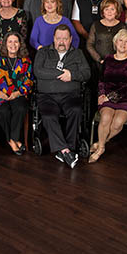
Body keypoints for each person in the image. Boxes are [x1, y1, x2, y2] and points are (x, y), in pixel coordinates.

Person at [34, 24, 91, 169]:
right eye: (58, 38)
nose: (61, 42)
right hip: (47, 96)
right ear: (53, 38)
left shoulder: (78, 53)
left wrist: (72, 75)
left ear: (71, 39)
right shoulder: (43, 52)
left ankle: (67, 149)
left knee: (76, 111)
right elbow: (38, 71)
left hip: (70, 95)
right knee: (48, 116)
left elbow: (86, 74)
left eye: (65, 39)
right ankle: (66, 151)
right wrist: (60, 74)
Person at [90, 29, 127, 163]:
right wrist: (102, 95)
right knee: (106, 117)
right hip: (106, 97)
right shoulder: (107, 59)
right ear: (115, 42)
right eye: (120, 40)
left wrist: (110, 97)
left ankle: (101, 143)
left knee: (118, 123)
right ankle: (101, 149)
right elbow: (101, 80)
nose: (123, 44)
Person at [0, 32, 33, 155]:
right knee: (3, 111)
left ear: (20, 44)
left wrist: (18, 93)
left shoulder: (25, 61)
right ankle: (13, 140)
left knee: (21, 108)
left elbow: (29, 81)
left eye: (16, 41)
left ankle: (12, 139)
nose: (13, 44)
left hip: (17, 94)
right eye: (10, 41)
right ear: (5, 44)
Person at [86, 0, 126, 69]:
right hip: (98, 63)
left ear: (117, 12)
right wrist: (99, 59)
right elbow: (89, 44)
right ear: (103, 12)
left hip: (117, 63)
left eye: (112, 9)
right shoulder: (95, 25)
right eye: (106, 9)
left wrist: (118, 59)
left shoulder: (122, 26)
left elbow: (126, 45)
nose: (109, 12)